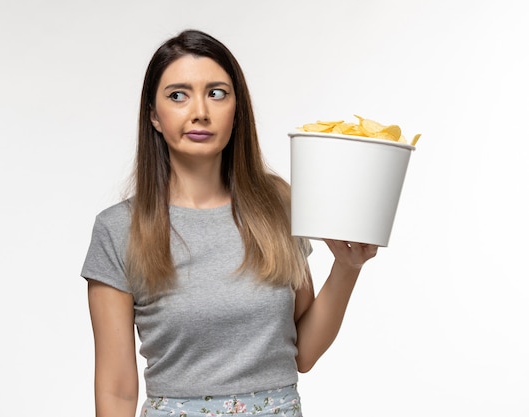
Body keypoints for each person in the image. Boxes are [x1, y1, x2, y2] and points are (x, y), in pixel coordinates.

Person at [81, 29, 378, 417]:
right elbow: (117, 391)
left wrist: (347, 267)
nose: (199, 111)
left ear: (237, 109)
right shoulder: (118, 229)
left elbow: (302, 353)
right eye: (177, 95)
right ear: (153, 115)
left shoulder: (278, 205)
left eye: (217, 93)